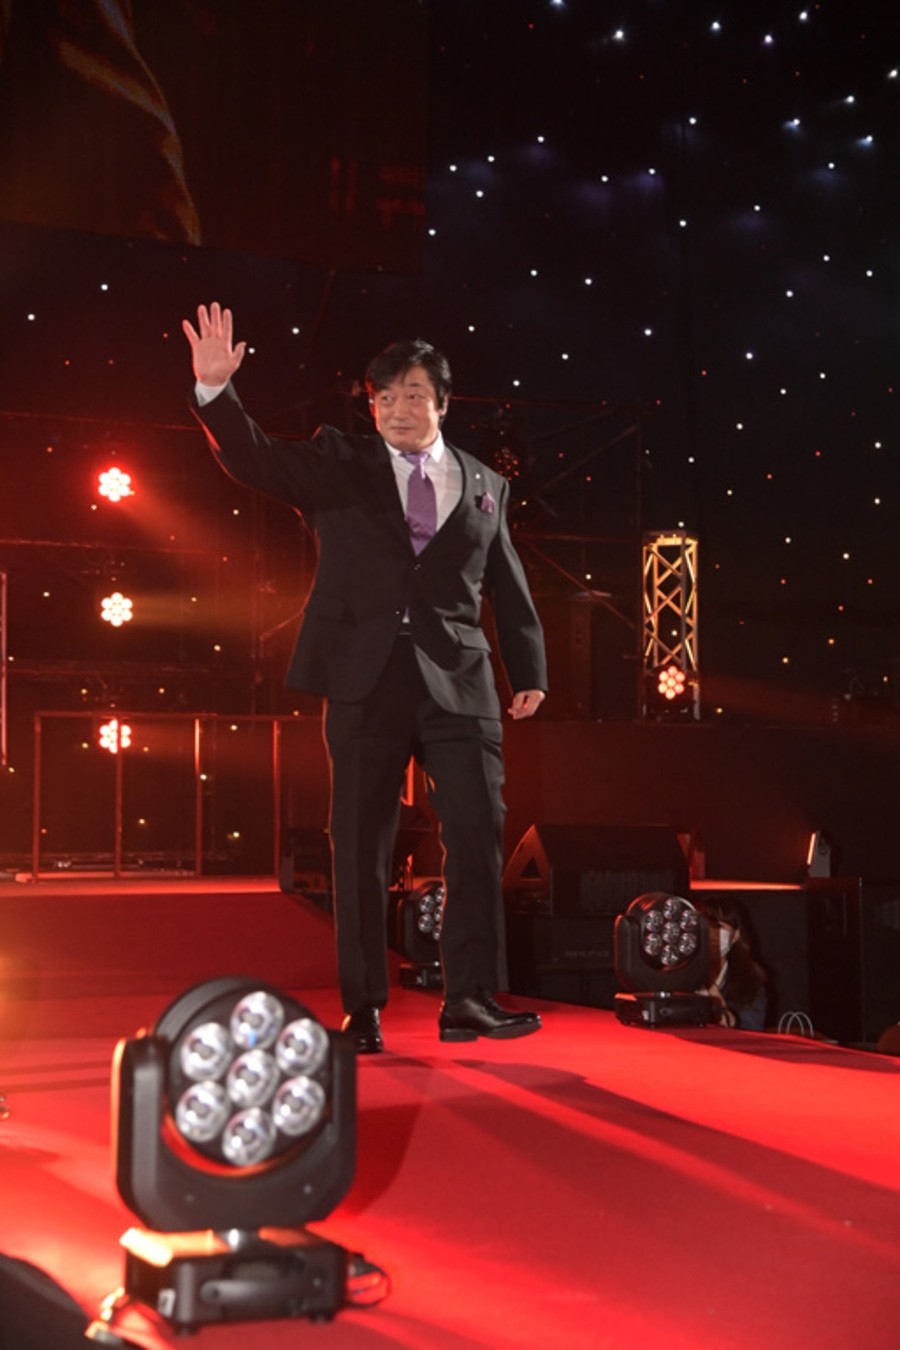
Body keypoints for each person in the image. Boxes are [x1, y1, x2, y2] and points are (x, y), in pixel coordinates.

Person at [183, 302, 548, 1052]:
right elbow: (254, 458)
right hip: (364, 675)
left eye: (414, 394)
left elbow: (506, 582)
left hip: (460, 679)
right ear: (371, 406)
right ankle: (364, 1010)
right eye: (385, 396)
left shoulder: (485, 482)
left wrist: (529, 668)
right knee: (359, 844)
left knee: (477, 834)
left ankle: (469, 999)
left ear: (442, 403)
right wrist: (216, 392)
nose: (398, 408)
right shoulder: (338, 462)